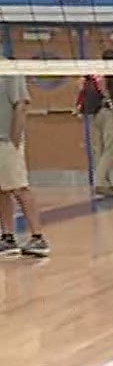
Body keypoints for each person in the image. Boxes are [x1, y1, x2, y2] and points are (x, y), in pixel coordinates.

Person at [0, 68, 49, 258]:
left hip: (6, 140)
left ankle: (38, 237)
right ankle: (8, 237)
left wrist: (14, 139)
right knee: (2, 189)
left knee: (19, 187)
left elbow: (21, 105)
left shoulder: (10, 70)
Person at [79, 51, 113, 198]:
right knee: (111, 149)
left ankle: (105, 184)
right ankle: (99, 182)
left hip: (93, 114)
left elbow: (80, 85)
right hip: (107, 111)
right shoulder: (110, 72)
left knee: (99, 150)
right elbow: (105, 88)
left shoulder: (93, 72)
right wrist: (109, 101)